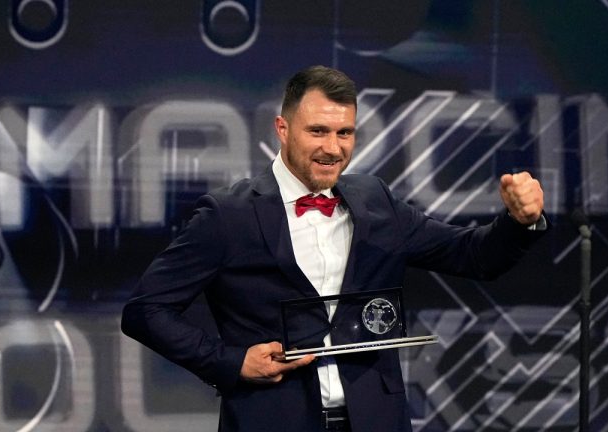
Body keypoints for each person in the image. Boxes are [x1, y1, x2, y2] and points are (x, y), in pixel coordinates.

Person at [121, 65, 548, 431]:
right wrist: (231, 362)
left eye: (345, 132)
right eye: (318, 131)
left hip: (376, 420)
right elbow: (145, 311)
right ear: (283, 128)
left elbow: (474, 255)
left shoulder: (375, 200)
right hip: (272, 421)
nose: (333, 148)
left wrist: (518, 222)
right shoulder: (227, 216)